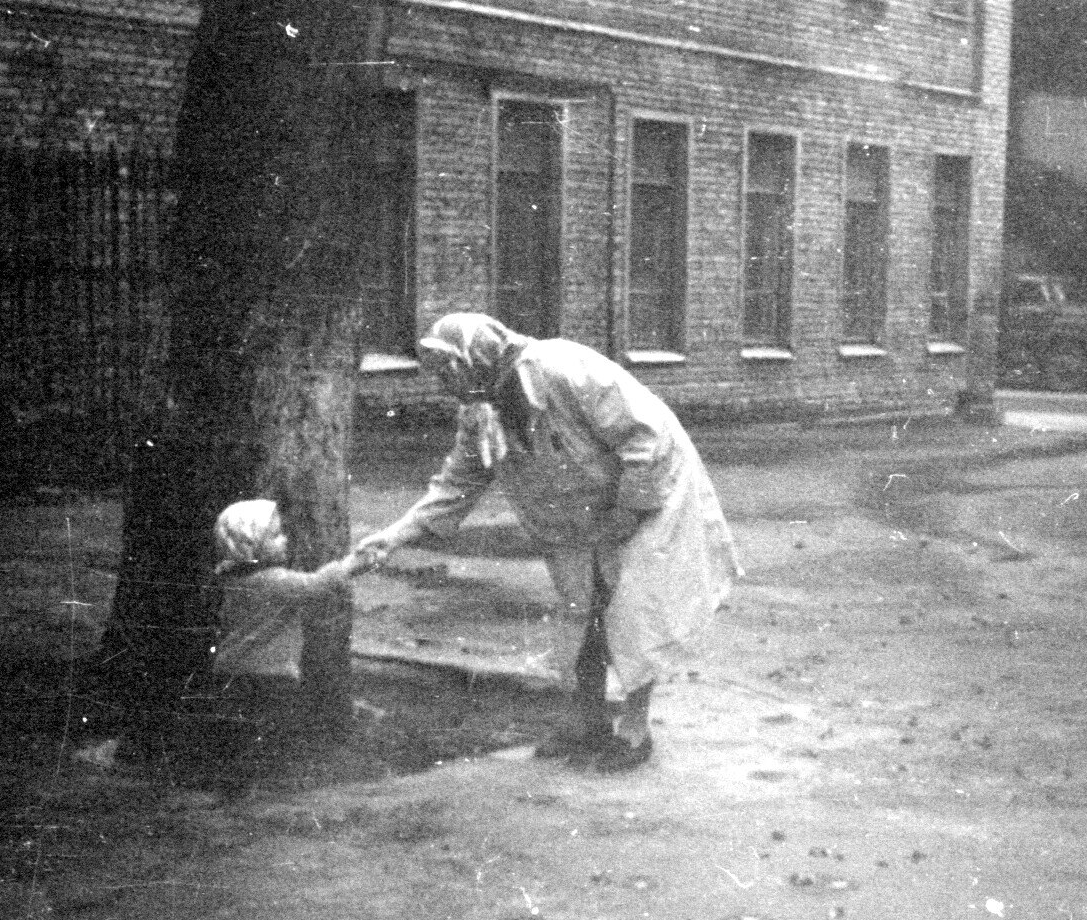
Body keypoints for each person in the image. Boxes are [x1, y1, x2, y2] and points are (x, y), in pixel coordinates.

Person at [355, 313, 741, 773]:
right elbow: (457, 484)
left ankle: (634, 730)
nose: (441, 384)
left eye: (446, 371)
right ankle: (588, 721)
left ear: (473, 361)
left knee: (633, 610)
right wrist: (393, 537)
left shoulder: (561, 366)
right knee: (580, 608)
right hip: (576, 512)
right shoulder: (479, 410)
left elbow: (646, 435)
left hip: (650, 492)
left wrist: (627, 512)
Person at [207, 498, 371, 747]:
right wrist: (353, 563)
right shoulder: (272, 581)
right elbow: (317, 585)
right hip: (269, 676)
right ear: (251, 544)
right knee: (272, 736)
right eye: (275, 536)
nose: (285, 539)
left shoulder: (233, 579)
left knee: (241, 738)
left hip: (231, 672)